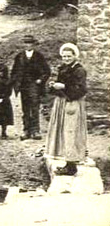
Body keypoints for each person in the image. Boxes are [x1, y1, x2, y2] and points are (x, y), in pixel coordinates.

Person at [45, 43, 88, 176]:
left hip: (72, 103)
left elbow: (81, 90)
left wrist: (63, 86)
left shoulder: (79, 70)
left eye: (69, 56)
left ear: (75, 56)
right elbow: (58, 87)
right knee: (63, 132)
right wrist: (53, 86)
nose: (66, 58)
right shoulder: (63, 68)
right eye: (64, 56)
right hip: (62, 103)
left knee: (71, 132)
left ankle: (72, 166)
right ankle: (67, 163)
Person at [10, 35, 50, 140]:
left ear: (33, 44)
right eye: (26, 43)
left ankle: (35, 131)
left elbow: (47, 71)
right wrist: (15, 83)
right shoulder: (19, 57)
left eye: (30, 43)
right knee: (25, 108)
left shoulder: (39, 56)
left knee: (35, 108)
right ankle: (26, 130)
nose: (27, 45)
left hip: (34, 86)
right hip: (23, 86)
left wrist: (40, 80)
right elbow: (14, 71)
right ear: (23, 44)